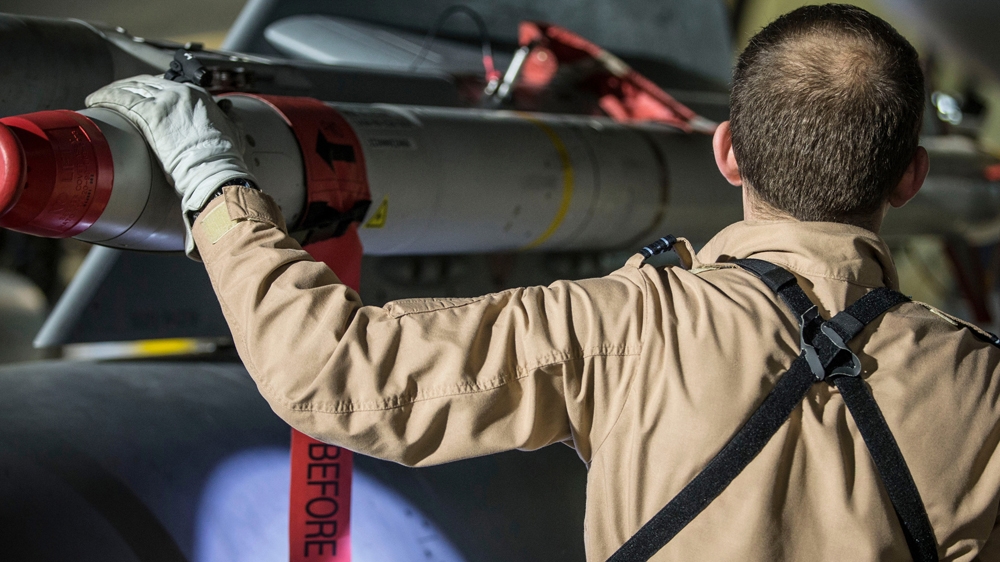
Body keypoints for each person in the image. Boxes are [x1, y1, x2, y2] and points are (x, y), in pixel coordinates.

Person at [86, 4, 1000, 560]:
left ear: (724, 150)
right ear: (910, 179)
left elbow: (338, 375)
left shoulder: (621, 327)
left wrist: (210, 178)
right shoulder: (980, 390)